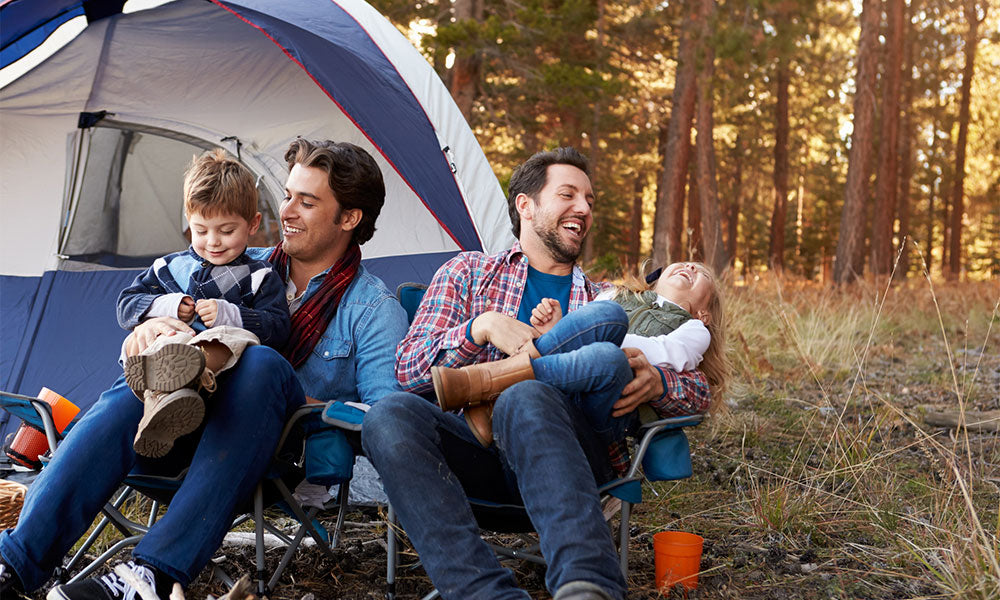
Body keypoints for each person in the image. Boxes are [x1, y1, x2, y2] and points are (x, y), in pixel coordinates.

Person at [0, 139, 408, 600]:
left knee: (259, 362)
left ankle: (146, 576)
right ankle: (14, 564)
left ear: (350, 218)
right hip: (176, 428)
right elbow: (148, 309)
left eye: (306, 201)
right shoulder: (235, 266)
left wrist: (300, 405)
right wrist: (149, 332)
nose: (287, 210)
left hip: (272, 455)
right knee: (140, 385)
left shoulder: (374, 309)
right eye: (289, 195)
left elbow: (386, 424)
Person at [362, 147, 712, 600]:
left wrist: (662, 382)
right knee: (387, 417)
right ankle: (484, 594)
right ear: (525, 205)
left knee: (534, 391)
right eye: (568, 194)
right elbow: (409, 370)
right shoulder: (467, 273)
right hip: (475, 454)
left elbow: (702, 386)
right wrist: (480, 327)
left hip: (571, 456)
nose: (584, 209)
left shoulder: (607, 299)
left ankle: (587, 587)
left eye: (589, 200)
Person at [430, 261, 729, 446]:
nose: (690, 267)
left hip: (608, 406)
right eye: (685, 263)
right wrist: (561, 330)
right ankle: (492, 399)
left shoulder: (694, 329)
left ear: (704, 313)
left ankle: (489, 386)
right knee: (607, 318)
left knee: (609, 354)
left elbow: (668, 355)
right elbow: (584, 328)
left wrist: (601, 341)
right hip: (566, 390)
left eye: (700, 272)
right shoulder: (615, 293)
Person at [117, 149, 291, 458]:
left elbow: (278, 328)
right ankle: (159, 411)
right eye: (201, 230)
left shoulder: (260, 276)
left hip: (223, 377)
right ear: (189, 223)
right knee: (165, 338)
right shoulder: (168, 268)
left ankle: (190, 379)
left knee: (232, 337)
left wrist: (231, 314)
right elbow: (126, 305)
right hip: (172, 353)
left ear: (253, 224)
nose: (213, 241)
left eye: (227, 231)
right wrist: (167, 306)